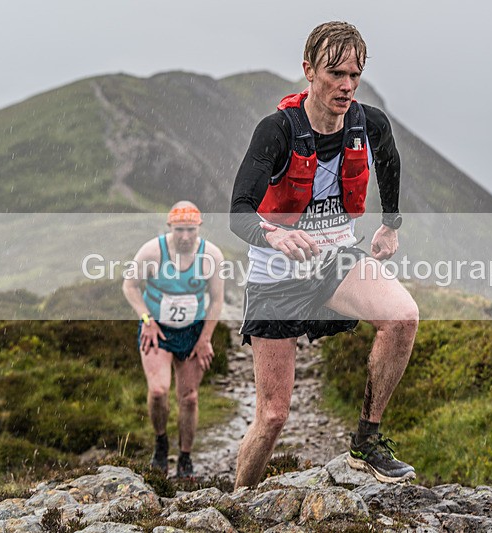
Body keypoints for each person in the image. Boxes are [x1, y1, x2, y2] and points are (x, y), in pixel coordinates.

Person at [230, 21, 419, 487]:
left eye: (354, 75)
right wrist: (273, 236)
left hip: (336, 261)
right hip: (276, 276)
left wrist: (390, 224)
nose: (346, 85)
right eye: (335, 73)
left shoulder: (368, 123)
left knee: (403, 317)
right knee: (273, 416)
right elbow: (238, 212)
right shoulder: (276, 131)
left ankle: (367, 442)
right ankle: (237, 501)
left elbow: (389, 161)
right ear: (309, 70)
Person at [122, 201, 225, 478]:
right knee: (158, 392)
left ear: (199, 228)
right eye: (179, 230)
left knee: (189, 398)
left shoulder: (211, 256)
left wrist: (205, 339)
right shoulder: (152, 251)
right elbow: (129, 286)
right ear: (169, 227)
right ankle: (160, 443)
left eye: (191, 230)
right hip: (157, 330)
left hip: (193, 332)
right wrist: (147, 320)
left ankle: (185, 458)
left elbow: (217, 301)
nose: (185, 236)